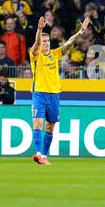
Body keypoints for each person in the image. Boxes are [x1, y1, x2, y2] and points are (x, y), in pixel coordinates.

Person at [30, 15, 90, 165]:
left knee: (50, 127)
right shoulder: (35, 55)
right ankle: (37, 153)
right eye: (44, 41)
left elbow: (69, 42)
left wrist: (80, 32)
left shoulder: (54, 54)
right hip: (39, 94)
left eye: (48, 41)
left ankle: (44, 156)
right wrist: (40, 29)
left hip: (54, 95)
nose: (46, 43)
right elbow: (36, 44)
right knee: (37, 124)